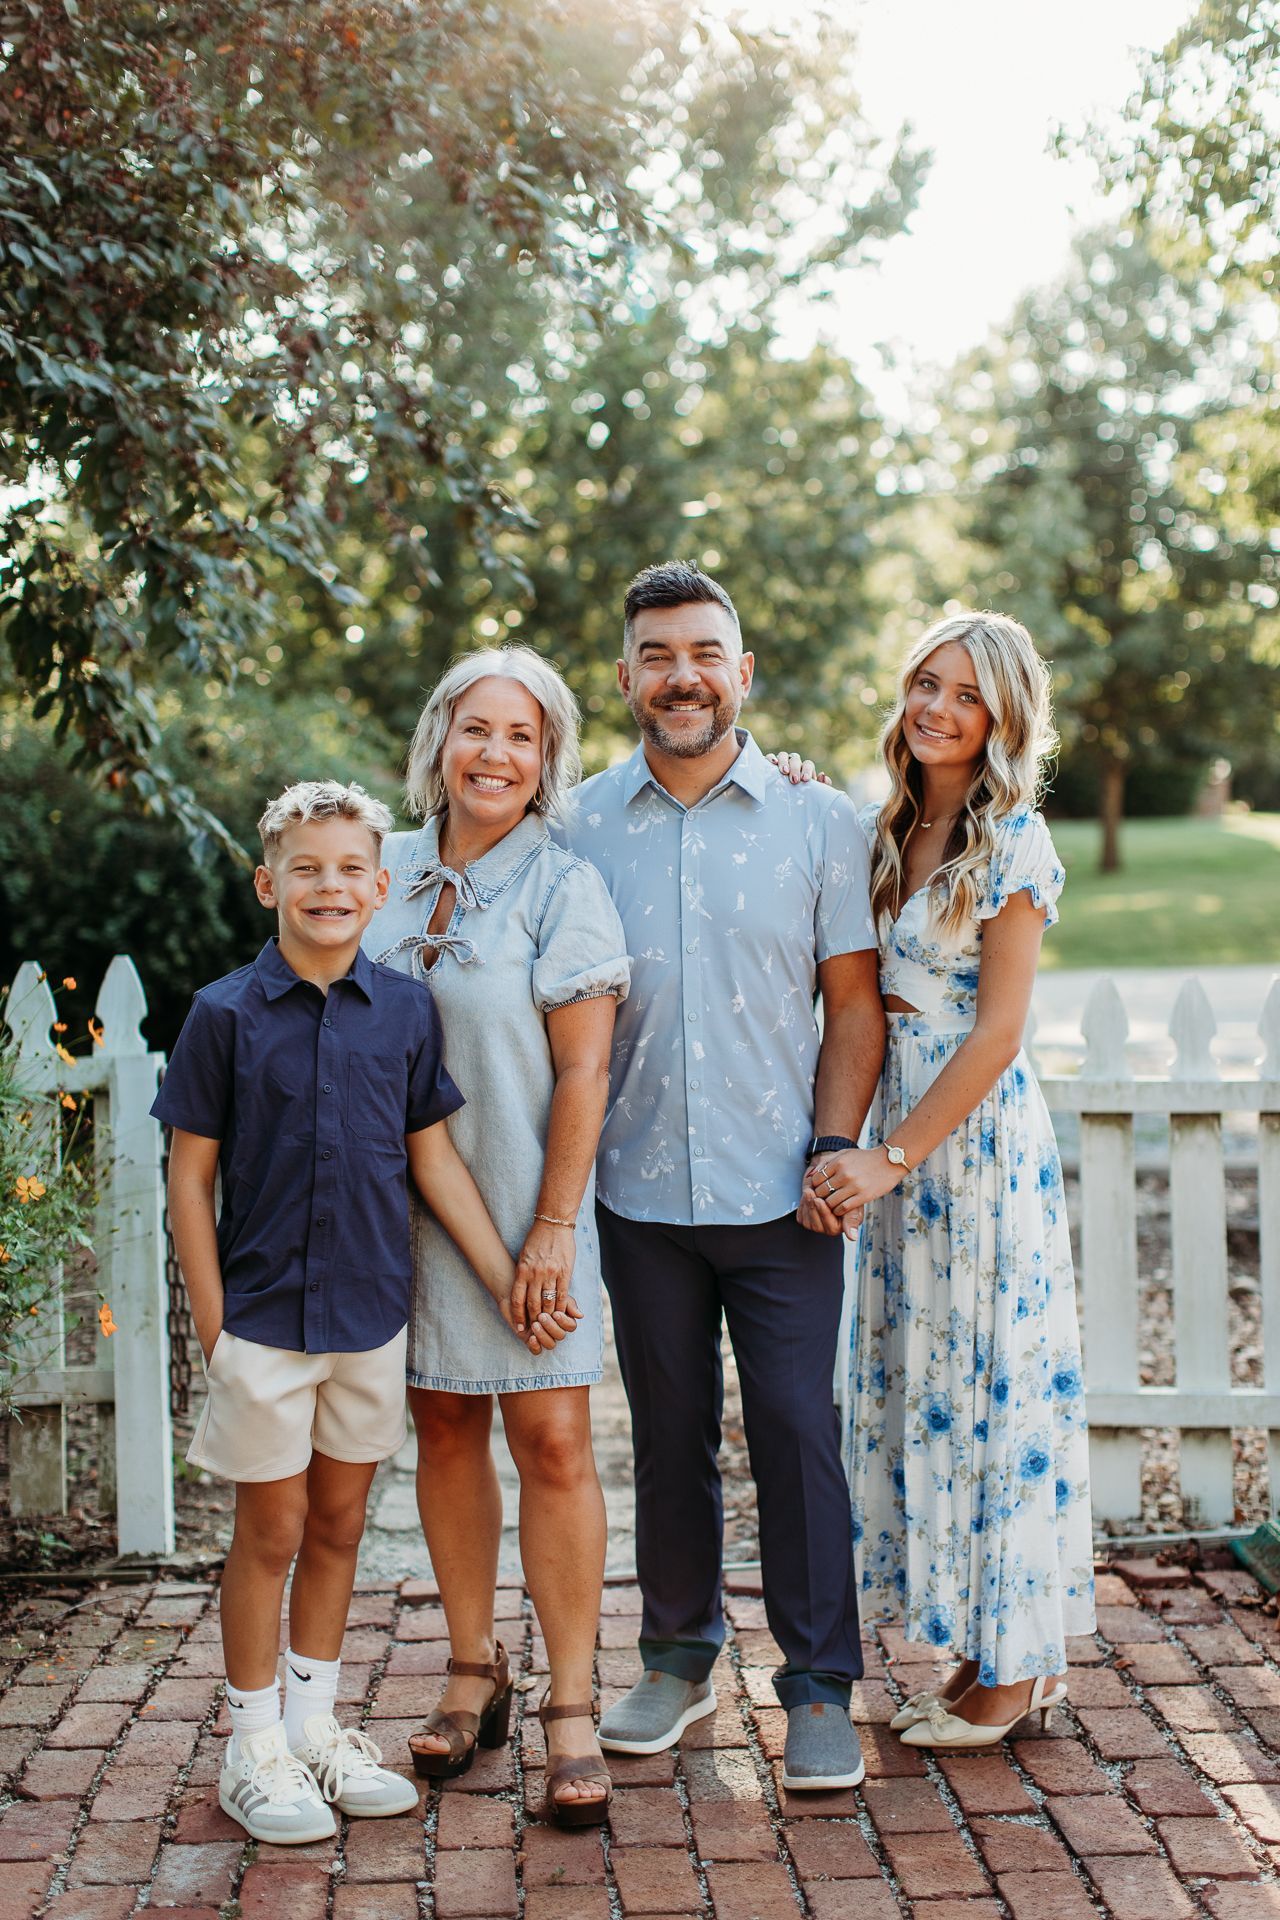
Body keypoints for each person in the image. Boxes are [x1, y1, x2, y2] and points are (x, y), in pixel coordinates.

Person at [157, 780, 564, 1844]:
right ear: (267, 883)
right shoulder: (222, 1017)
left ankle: (311, 1730)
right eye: (306, 868)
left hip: (368, 1318)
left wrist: (504, 1276)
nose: (329, 886)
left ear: (381, 887)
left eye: (349, 870)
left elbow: (431, 1158)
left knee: (338, 1525)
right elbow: (187, 1183)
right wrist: (213, 1326)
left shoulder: (405, 1011)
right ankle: (249, 1749)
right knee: (272, 1526)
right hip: (261, 1321)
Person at [563, 560, 885, 1790]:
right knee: (667, 1433)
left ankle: (814, 1684)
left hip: (782, 1190)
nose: (681, 674)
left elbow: (853, 1009)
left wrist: (830, 1143)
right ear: (627, 675)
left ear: (742, 673)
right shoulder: (578, 821)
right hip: (635, 1191)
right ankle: (677, 1657)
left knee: (798, 1431)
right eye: (656, 654)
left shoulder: (819, 821)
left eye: (704, 652)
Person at [805, 611, 1095, 1747]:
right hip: (892, 1143)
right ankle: (987, 1652)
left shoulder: (1011, 840)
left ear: (1001, 719)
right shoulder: (882, 826)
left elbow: (997, 1033)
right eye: (925, 682)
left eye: (964, 696)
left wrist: (885, 1159)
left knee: (991, 1389)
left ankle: (1015, 1671)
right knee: (932, 1383)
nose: (935, 707)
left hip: (963, 1148)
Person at [366, 648, 630, 1827]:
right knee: (441, 1425)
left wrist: (550, 1232)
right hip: (394, 1215)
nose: (496, 754)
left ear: (547, 758)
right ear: (439, 739)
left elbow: (584, 1069)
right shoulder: (379, 869)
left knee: (554, 1439)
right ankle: (474, 1667)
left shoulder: (559, 887)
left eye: (521, 737)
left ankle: (570, 1702)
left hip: (528, 1209)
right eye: (477, 729)